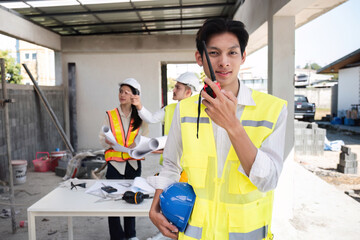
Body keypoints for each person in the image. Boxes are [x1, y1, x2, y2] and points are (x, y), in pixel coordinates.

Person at [148, 18, 288, 240]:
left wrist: (232, 125)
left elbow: (268, 180)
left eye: (232, 53)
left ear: (242, 56)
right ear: (199, 57)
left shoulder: (273, 109)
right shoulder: (183, 110)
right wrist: (155, 207)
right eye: (214, 53)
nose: (224, 62)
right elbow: (171, 165)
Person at [132, 73, 199, 240]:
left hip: (189, 169)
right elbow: (151, 118)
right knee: (168, 205)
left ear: (188, 92)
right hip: (170, 165)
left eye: (178, 87)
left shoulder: (199, 111)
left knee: (185, 208)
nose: (173, 90)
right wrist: (139, 106)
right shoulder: (169, 109)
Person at [99, 78, 148, 240]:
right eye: (121, 91)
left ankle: (131, 235)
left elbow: (146, 137)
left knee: (131, 199)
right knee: (113, 200)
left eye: (127, 92)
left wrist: (139, 144)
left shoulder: (141, 115)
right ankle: (117, 236)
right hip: (114, 164)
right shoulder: (111, 115)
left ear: (135, 95)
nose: (122, 95)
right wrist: (106, 141)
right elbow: (101, 136)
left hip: (133, 164)